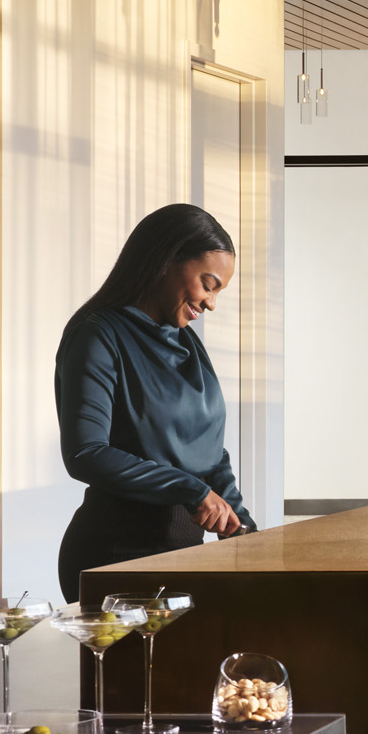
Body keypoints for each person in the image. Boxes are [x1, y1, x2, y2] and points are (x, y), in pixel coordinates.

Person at [55, 203, 255, 600]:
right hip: (115, 555)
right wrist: (192, 492)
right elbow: (85, 452)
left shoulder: (186, 343)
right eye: (208, 284)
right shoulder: (98, 335)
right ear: (167, 260)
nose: (211, 303)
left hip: (182, 558)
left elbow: (210, 455)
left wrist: (246, 532)